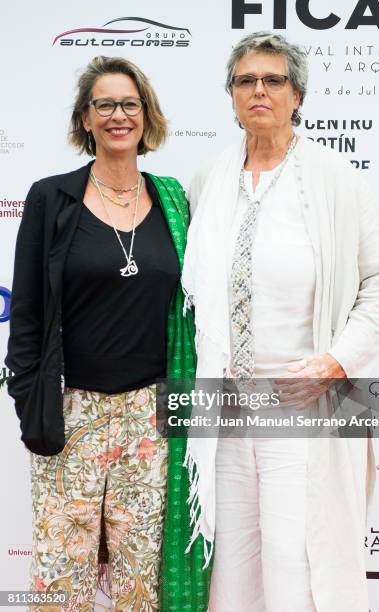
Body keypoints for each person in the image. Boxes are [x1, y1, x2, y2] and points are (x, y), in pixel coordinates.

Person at [181, 32, 379, 612]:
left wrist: (335, 362)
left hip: (302, 405)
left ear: (297, 94)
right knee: (234, 563)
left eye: (273, 80)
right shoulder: (209, 179)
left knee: (294, 562)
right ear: (230, 96)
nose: (259, 91)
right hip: (226, 408)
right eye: (245, 80)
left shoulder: (335, 179)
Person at [5, 56, 210, 611]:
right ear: (86, 118)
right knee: (60, 578)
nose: (119, 115)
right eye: (105, 105)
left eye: (129, 104)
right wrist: (32, 405)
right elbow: (26, 314)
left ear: (146, 115)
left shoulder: (173, 204)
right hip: (72, 413)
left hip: (149, 415)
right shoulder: (53, 199)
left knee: (139, 582)